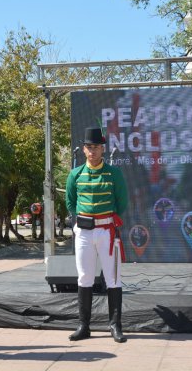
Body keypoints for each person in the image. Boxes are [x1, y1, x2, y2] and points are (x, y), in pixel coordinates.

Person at [65, 127, 129, 343]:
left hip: (107, 232)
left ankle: (115, 325)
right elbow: (70, 202)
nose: (92, 151)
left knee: (113, 278)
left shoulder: (114, 174)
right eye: (89, 147)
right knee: (84, 278)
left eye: (96, 147)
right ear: (84, 150)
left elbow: (122, 203)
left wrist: (106, 221)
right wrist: (82, 222)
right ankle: (84, 325)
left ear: (103, 149)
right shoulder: (75, 174)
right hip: (84, 233)